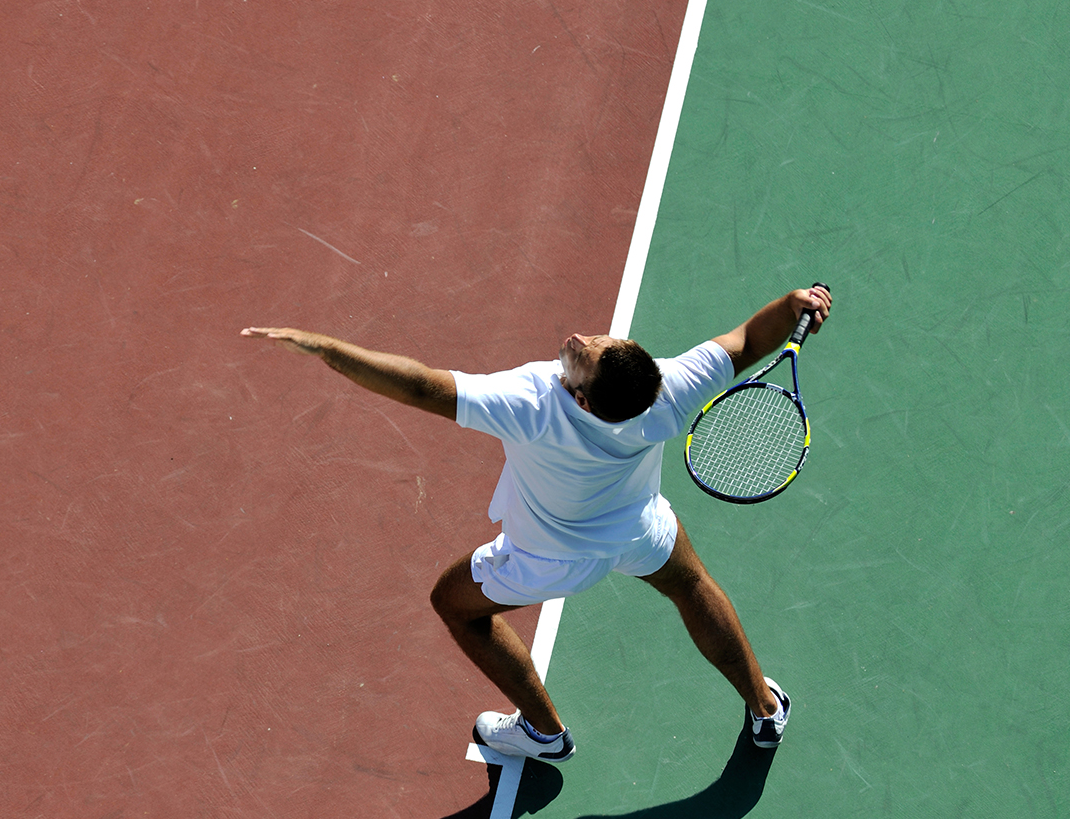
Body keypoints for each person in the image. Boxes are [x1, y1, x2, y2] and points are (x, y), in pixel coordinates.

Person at [241, 283, 831, 763]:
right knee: (692, 584)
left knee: (453, 604)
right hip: (638, 530)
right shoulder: (666, 388)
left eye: (584, 355)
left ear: (583, 400)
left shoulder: (531, 404)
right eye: (598, 342)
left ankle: (544, 733)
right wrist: (792, 305)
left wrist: (328, 349)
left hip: (548, 558)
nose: (580, 340)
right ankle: (765, 709)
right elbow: (746, 342)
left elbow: (421, 385)